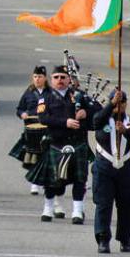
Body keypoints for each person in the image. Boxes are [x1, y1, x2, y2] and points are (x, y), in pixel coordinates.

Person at [37, 65, 97, 224]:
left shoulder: (80, 96)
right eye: (56, 77)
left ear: (69, 79)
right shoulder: (46, 97)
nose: (60, 80)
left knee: (79, 179)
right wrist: (65, 122)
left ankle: (77, 211)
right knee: (52, 180)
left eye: (63, 77)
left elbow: (98, 112)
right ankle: (48, 208)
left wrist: (86, 113)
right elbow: (43, 118)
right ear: (51, 80)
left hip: (78, 143)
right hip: (56, 143)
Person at [91, 90, 130, 253]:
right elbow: (95, 122)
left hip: (126, 169)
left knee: (126, 206)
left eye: (122, 102)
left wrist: (126, 132)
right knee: (103, 204)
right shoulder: (103, 119)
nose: (119, 105)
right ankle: (102, 239)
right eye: (116, 102)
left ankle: (125, 239)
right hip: (104, 167)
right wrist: (111, 104)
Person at [9, 66, 49, 196]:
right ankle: (34, 184)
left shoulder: (50, 93)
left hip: (46, 128)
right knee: (33, 156)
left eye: (40, 77)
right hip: (31, 129)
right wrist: (22, 114)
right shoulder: (28, 92)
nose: (37, 79)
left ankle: (45, 182)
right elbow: (19, 109)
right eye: (35, 77)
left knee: (45, 156)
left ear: (45, 78)